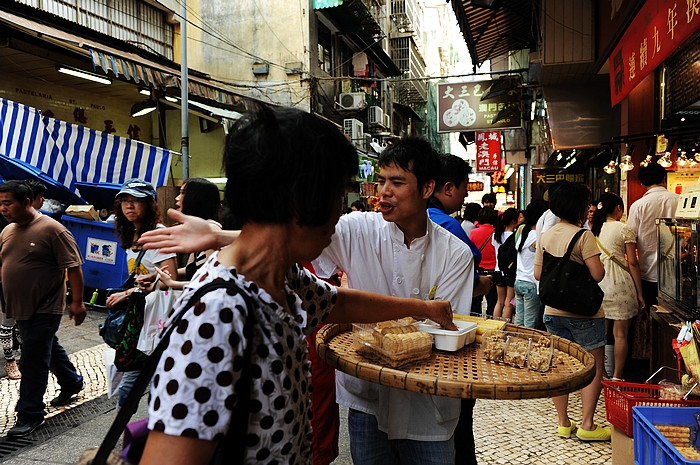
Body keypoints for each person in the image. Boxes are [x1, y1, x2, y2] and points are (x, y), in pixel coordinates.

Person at [137, 107, 457, 464]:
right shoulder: (218, 312)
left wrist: (424, 308)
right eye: (336, 196)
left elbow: (341, 303)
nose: (340, 213)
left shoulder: (281, 276)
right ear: (299, 201)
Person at [312, 137, 474, 465]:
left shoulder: (454, 254)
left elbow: (443, 333)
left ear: (427, 188)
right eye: (381, 180)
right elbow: (300, 238)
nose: (384, 191)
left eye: (397, 182)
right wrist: (224, 237)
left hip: (428, 406)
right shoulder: (358, 230)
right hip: (367, 398)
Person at [0, 180, 86, 437]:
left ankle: (30, 414)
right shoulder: (7, 231)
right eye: (0, 204)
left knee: (33, 359)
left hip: (46, 306)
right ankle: (71, 381)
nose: (3, 209)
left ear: (26, 202)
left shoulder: (52, 230)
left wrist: (78, 303)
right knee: (45, 346)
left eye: (8, 203)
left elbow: (74, 267)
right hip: (19, 306)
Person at [534, 181, 610, 442]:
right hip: (585, 315)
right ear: (577, 206)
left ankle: (564, 423)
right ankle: (588, 425)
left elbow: (537, 273)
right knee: (592, 366)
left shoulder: (545, 235)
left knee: (560, 366)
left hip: (553, 311)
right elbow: (598, 274)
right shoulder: (583, 236)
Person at [426, 153, 485, 465]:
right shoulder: (448, 224)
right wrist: (487, 285)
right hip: (452, 338)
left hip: (420, 342)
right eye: (464, 188)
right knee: (459, 422)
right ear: (447, 188)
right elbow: (472, 281)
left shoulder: (417, 222)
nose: (465, 195)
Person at [105, 178, 178, 410]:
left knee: (134, 382)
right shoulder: (131, 234)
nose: (129, 206)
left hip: (159, 319)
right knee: (144, 379)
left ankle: (122, 436)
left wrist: (130, 292)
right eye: (125, 200)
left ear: (149, 205)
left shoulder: (158, 234)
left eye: (136, 201)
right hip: (141, 318)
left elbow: (170, 280)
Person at [591, 193, 645, 380]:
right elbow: (633, 263)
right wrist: (640, 293)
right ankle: (616, 376)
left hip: (599, 286)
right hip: (620, 286)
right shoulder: (624, 229)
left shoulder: (593, 230)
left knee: (600, 335)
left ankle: (600, 373)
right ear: (618, 209)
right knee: (620, 335)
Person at [627, 162, 679, 308]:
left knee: (650, 317)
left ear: (642, 183)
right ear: (664, 178)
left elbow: (630, 238)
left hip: (648, 273)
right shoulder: (679, 200)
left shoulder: (638, 206)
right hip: (676, 274)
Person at [156, 178, 222, 289]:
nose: (176, 198)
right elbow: (190, 269)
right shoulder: (199, 231)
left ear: (196, 199)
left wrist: (173, 284)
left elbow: (214, 280)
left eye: (182, 193)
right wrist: (156, 275)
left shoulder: (211, 231)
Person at [513, 200, 547, 328]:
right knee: (529, 325)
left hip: (519, 281)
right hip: (531, 284)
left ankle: (515, 345)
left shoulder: (524, 232)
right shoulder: (537, 236)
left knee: (518, 322)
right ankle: (525, 346)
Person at [469, 206, 499, 315]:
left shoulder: (473, 233)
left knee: (476, 302)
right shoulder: (496, 233)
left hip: (478, 270)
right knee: (493, 302)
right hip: (493, 270)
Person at [492, 207, 520, 321]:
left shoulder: (496, 235)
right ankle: (505, 328)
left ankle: (495, 326)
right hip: (510, 272)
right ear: (514, 221)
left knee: (499, 301)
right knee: (508, 302)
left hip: (498, 270)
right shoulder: (516, 236)